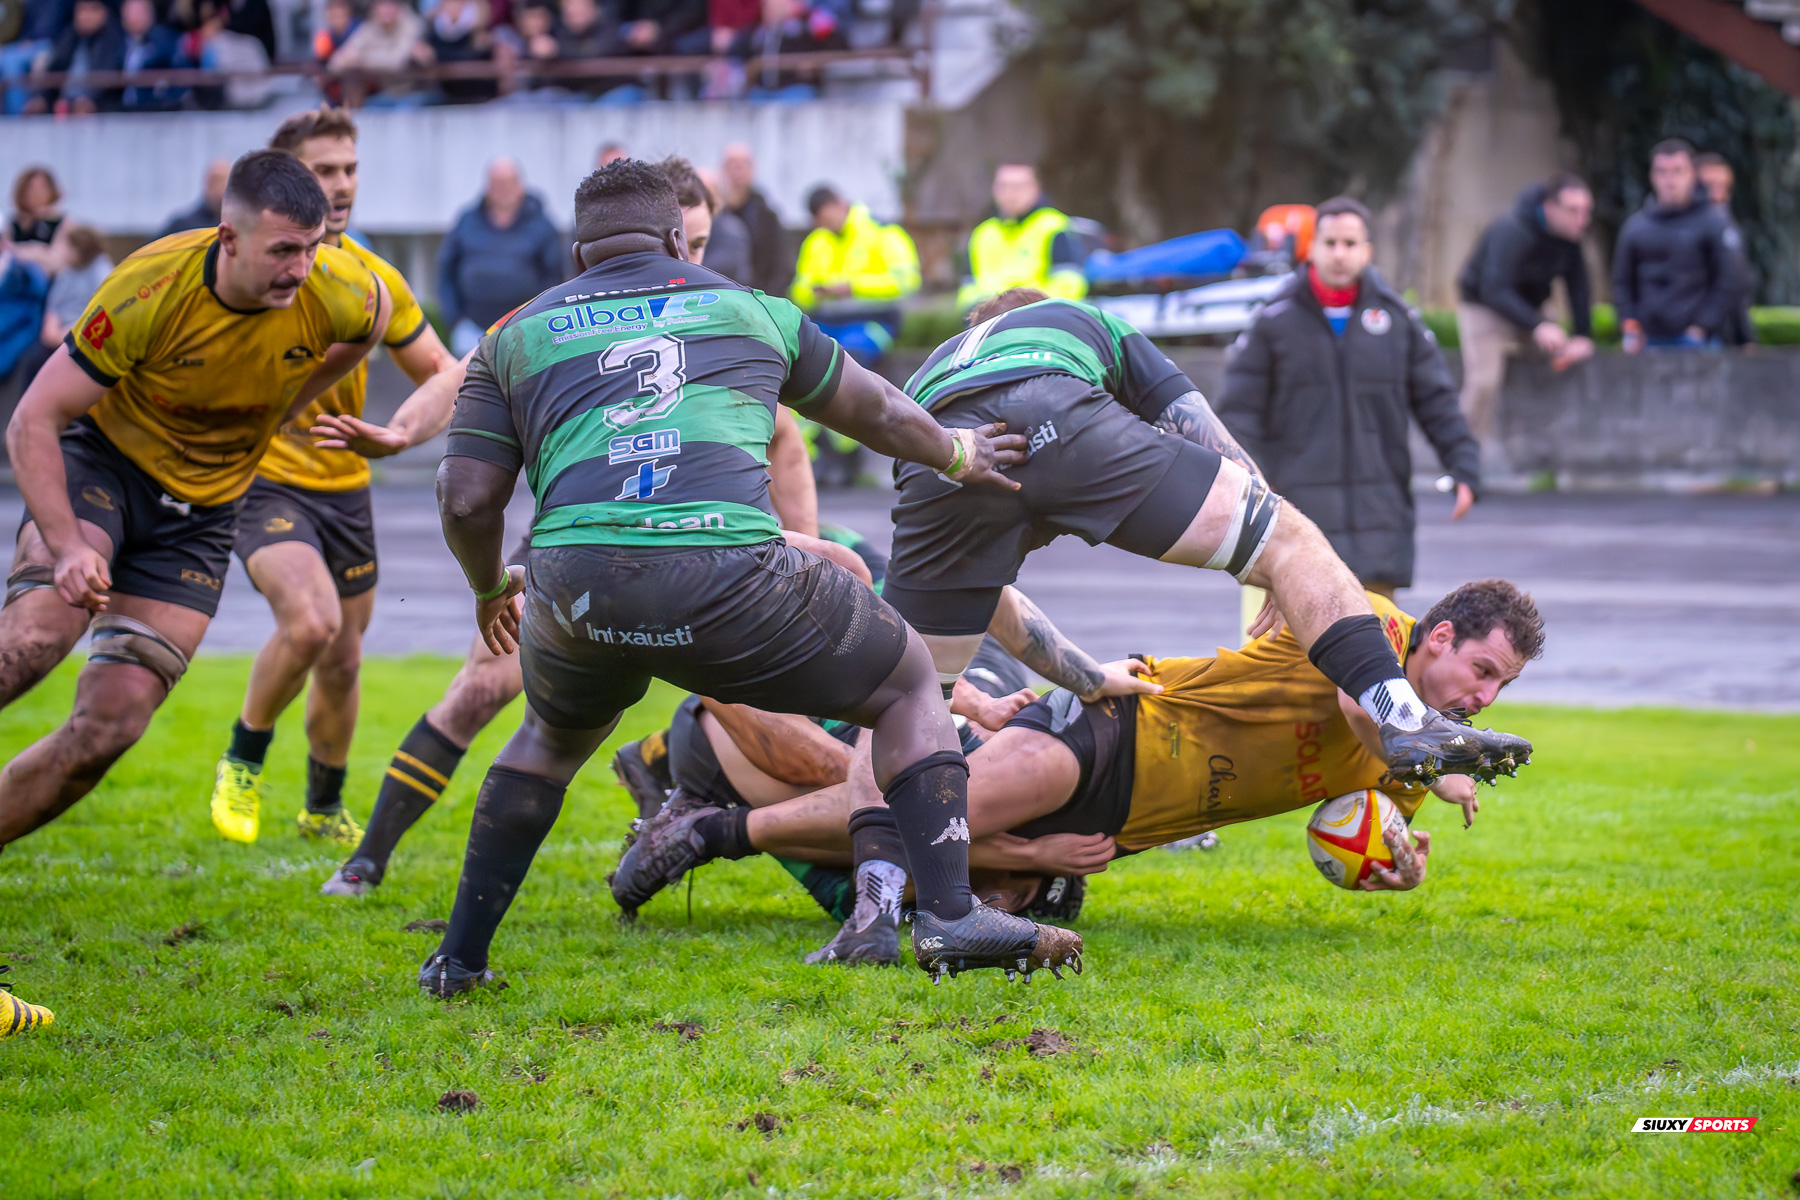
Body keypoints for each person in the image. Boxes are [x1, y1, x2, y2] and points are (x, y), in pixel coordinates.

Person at [415, 158, 1078, 996]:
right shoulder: (748, 308)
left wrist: (487, 587)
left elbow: (467, 498)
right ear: (674, 238)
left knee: (546, 742)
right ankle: (949, 916)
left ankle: (461, 959)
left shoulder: (514, 334)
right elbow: (872, 409)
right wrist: (960, 450)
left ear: (576, 255)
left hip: (577, 585)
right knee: (907, 679)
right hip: (727, 575)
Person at [318, 154, 828, 897]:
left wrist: (796, 549)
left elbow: (786, 437)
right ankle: (368, 858)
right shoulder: (569, 311)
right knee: (481, 690)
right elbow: (464, 372)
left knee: (770, 702)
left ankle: (672, 773)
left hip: (702, 540)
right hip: (582, 538)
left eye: (707, 241)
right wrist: (400, 432)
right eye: (689, 238)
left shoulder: (727, 312)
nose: (695, 256)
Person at [622, 580, 1543, 962]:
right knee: (932, 831)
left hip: (1131, 820)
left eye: (1501, 688)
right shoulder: (1370, 624)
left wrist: (1400, 859)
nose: (1486, 699)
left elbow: (1368, 830)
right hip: (1121, 732)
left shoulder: (1417, 749)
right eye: (1484, 673)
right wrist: (1441, 751)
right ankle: (706, 830)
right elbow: (1357, 706)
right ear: (1443, 637)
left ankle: (712, 806)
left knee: (1006, 889)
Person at [880, 284, 1525, 794]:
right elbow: (1204, 431)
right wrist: (1271, 560)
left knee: (907, 706)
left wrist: (1083, 679)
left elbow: (991, 604)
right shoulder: (1078, 326)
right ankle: (1402, 713)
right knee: (1290, 539)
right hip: (1058, 417)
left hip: (935, 451)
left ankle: (882, 906)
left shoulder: (933, 375)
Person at [0, 149, 390, 851]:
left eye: (310, 249)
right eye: (281, 251)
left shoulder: (338, 287)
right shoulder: (149, 288)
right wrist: (64, 548)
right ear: (228, 238)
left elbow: (374, 320)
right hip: (106, 470)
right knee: (37, 637)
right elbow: (32, 421)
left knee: (112, 725)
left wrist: (288, 401)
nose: (299, 269)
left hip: (202, 515)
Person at [205, 109, 457, 847]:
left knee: (344, 659)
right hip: (262, 478)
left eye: (349, 168)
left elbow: (443, 376)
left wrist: (400, 430)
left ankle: (321, 807)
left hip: (345, 486)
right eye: (324, 169)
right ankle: (243, 759)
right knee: (310, 623)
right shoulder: (246, 270)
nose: (341, 184)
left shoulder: (374, 280)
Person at [1217, 196, 1481, 597]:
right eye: (1330, 242)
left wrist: (1464, 466)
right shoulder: (1273, 321)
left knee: (1372, 649)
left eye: (1350, 243)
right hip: (1295, 520)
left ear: (1367, 251)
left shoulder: (1398, 321)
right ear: (1312, 248)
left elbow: (1437, 401)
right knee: (1286, 655)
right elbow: (1238, 415)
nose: (1339, 253)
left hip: (1378, 520)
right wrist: (1243, 486)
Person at [1454, 174, 1597, 445]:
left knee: (1560, 357)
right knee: (1484, 382)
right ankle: (1457, 455)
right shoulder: (1512, 230)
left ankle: (1542, 444)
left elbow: (1578, 286)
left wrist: (1582, 334)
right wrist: (1537, 326)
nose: (1582, 219)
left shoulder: (1571, 237)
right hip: (1485, 306)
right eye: (1573, 211)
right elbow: (1494, 288)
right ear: (1550, 208)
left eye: (1586, 211)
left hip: (1530, 308)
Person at [1613, 139, 1737, 353]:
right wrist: (1630, 325)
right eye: (1662, 171)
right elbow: (1622, 281)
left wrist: (1702, 327)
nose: (1670, 180)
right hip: (1648, 341)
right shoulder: (1635, 227)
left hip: (1697, 341)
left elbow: (1726, 281)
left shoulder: (1711, 223)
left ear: (1692, 175)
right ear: (1652, 176)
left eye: (1678, 171)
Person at [437, 158, 565, 356]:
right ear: (487, 187)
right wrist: (455, 320)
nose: (504, 190)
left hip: (526, 331)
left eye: (509, 183)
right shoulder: (467, 221)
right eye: (497, 184)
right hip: (472, 330)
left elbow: (555, 275)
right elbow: (446, 270)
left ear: (520, 185)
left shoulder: (541, 224)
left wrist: (540, 321)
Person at [789, 184, 919, 367]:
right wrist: (816, 292)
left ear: (841, 205)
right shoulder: (816, 241)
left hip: (873, 322)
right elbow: (798, 290)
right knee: (797, 357)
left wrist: (854, 287)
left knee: (846, 361)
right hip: (825, 323)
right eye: (822, 221)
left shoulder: (883, 231)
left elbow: (907, 281)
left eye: (829, 218)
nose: (827, 225)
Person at [955, 163, 1086, 312]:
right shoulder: (983, 233)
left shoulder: (1054, 226)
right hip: (989, 320)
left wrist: (1028, 308)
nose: (1010, 193)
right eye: (1003, 186)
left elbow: (1069, 283)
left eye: (1018, 187)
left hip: (1041, 319)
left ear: (1035, 188)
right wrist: (979, 309)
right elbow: (968, 287)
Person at [15, 222, 111, 387]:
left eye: (69, 248)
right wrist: (50, 327)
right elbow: (54, 304)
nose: (65, 252)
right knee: (32, 361)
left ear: (82, 249)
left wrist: (69, 334)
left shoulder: (102, 272)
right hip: (56, 335)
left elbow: (102, 310)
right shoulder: (68, 270)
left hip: (83, 334)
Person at [1694, 151, 1754, 347]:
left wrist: (1746, 337)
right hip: (1694, 335)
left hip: (1724, 336)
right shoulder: (1679, 228)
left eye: (1725, 187)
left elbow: (1737, 285)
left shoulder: (1728, 225)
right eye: (1709, 186)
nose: (1718, 194)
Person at [23, 0, 124, 115]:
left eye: (93, 9)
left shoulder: (113, 40)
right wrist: (42, 97)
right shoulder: (70, 37)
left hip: (99, 105)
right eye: (82, 10)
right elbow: (54, 69)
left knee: (82, 109)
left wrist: (87, 100)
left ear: (105, 12)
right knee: (35, 107)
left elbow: (106, 80)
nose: (86, 16)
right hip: (64, 101)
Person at [720, 142, 791, 296]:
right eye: (732, 164)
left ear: (752, 169)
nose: (738, 170)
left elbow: (780, 267)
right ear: (723, 169)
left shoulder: (767, 217)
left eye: (743, 164)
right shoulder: (713, 215)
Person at [328, 0, 426, 101]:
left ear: (399, 6)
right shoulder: (370, 27)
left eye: (390, 3)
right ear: (374, 8)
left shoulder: (410, 25)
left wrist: (361, 60)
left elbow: (396, 62)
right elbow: (336, 63)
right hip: (383, 93)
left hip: (412, 94)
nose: (386, 9)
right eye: (381, 4)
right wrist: (349, 59)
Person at [412, 0, 499, 104]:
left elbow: (480, 56)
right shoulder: (433, 32)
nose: (453, 7)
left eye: (456, 2)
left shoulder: (479, 31)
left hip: (478, 94)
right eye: (449, 3)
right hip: (445, 94)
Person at [695, 166, 752, 284]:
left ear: (717, 197)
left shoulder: (731, 231)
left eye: (703, 193)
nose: (696, 200)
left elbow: (718, 269)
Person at [158, 161, 232, 239]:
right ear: (206, 183)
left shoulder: (238, 225)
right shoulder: (183, 225)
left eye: (224, 181)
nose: (220, 186)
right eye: (215, 180)